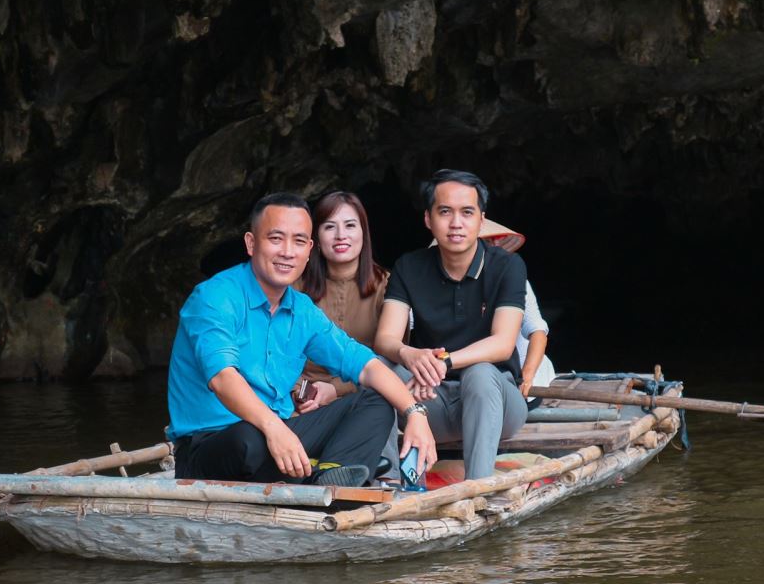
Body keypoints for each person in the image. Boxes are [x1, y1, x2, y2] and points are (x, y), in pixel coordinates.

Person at [167, 192, 435, 487]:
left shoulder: (301, 309)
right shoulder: (215, 297)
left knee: (377, 399)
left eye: (298, 241)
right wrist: (273, 428)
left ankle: (332, 475)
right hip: (211, 446)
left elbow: (367, 365)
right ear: (251, 243)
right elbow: (222, 378)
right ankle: (320, 473)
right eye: (276, 239)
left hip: (278, 435)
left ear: (309, 250)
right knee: (248, 439)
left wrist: (415, 414)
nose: (287, 252)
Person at [374, 169, 529, 481]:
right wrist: (411, 356)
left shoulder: (507, 266)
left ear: (481, 220)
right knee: (378, 367)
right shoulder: (410, 267)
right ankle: (387, 481)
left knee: (482, 372)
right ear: (428, 219)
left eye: (467, 212)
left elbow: (503, 343)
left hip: (497, 403)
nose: (456, 223)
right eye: (445, 212)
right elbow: (385, 338)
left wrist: (442, 362)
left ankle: (477, 488)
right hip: (431, 400)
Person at [293, 191, 392, 409]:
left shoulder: (387, 287)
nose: (340, 235)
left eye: (349, 225)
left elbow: (391, 360)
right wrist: (302, 392)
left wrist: (336, 389)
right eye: (329, 226)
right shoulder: (294, 287)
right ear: (315, 238)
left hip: (365, 397)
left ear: (363, 233)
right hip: (302, 400)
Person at [476, 219, 556, 397]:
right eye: (487, 241)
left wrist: (527, 375)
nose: (495, 247)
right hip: (470, 376)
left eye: (497, 241)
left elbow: (537, 331)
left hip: (517, 373)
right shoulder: (439, 283)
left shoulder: (513, 280)